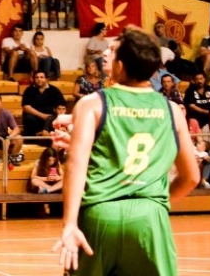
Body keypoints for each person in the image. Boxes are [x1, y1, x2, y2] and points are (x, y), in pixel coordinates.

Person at [53, 28, 198, 275]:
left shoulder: (92, 103)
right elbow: (192, 177)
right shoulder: (173, 110)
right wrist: (155, 203)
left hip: (100, 214)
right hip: (150, 217)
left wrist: (69, 224)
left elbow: (76, 164)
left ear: (119, 65)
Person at [21, 71, 66, 138]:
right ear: (34, 79)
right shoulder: (29, 90)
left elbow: (62, 105)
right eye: (37, 77)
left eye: (42, 77)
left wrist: (56, 116)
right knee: (29, 119)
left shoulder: (54, 90)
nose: (39, 79)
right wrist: (43, 116)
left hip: (51, 116)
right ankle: (32, 141)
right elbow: (26, 108)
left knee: (55, 119)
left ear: (46, 79)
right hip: (34, 116)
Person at [0, 94, 24, 165]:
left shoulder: (6, 113)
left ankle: (12, 158)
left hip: (4, 138)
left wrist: (9, 138)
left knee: (19, 138)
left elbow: (16, 129)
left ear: (1, 103)